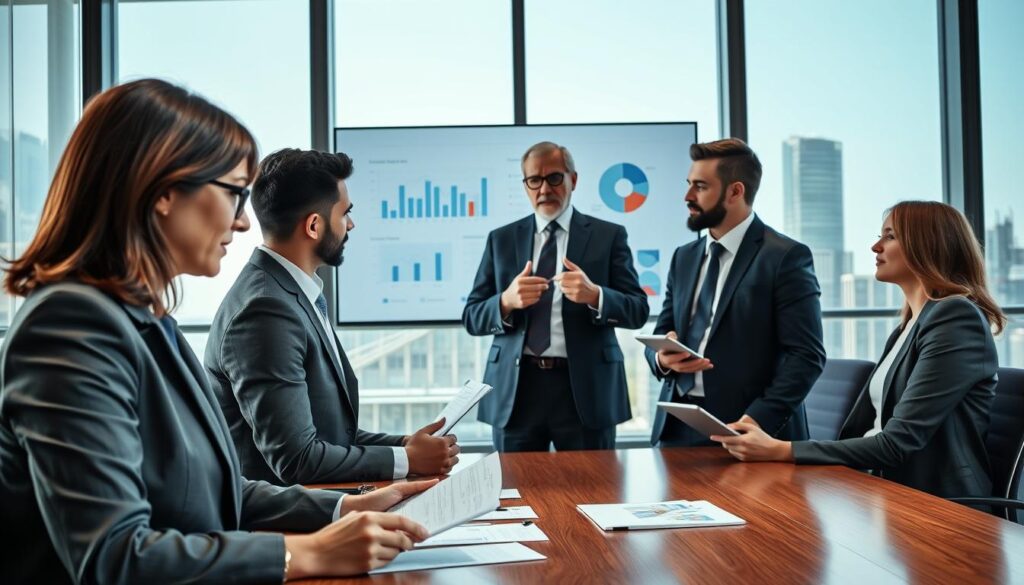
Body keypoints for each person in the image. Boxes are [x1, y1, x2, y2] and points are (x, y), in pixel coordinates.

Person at [0, 79, 434, 585]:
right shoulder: (70, 328)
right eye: (233, 193)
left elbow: (218, 489)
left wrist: (342, 509)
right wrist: (305, 555)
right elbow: (115, 555)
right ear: (162, 191)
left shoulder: (148, 317)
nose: (245, 222)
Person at [712, 201, 1002, 499]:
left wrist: (780, 449)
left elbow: (896, 443)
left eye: (890, 236)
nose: (876, 246)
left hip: (936, 505)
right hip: (879, 489)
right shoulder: (906, 328)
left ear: (927, 245)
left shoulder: (955, 318)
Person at [205, 148, 459, 485]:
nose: (351, 224)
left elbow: (333, 435)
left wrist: (406, 446)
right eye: (345, 213)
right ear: (314, 225)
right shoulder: (266, 309)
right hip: (285, 526)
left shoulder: (291, 294)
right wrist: (407, 459)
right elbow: (297, 459)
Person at [463, 141, 649, 452]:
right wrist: (506, 301)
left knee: (594, 495)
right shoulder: (502, 239)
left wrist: (596, 296)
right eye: (534, 180)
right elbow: (472, 317)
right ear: (525, 185)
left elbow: (638, 310)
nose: (544, 189)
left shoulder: (609, 235)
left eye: (554, 178)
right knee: (515, 494)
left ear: (573, 180)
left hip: (586, 390)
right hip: (517, 391)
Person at [647, 138, 825, 446]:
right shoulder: (683, 257)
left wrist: (757, 420)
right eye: (689, 184)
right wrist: (662, 359)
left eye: (700, 187)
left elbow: (806, 356)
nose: (687, 196)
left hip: (751, 432)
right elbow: (664, 332)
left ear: (735, 191)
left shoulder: (785, 256)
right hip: (677, 430)